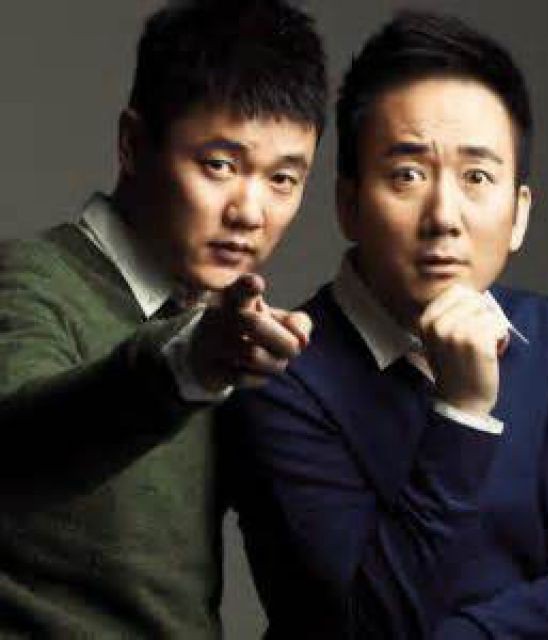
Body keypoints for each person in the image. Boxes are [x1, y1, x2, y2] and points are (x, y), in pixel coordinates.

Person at [221, 10, 548, 639]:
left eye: (478, 177)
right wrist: (463, 413)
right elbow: (370, 626)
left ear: (519, 215)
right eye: (408, 175)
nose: (444, 216)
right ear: (349, 204)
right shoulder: (279, 372)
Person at [0, 0, 326, 636]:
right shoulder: (29, 280)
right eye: (220, 165)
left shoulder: (239, 337)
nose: (250, 211)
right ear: (132, 144)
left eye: (284, 179)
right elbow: (15, 445)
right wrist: (188, 365)